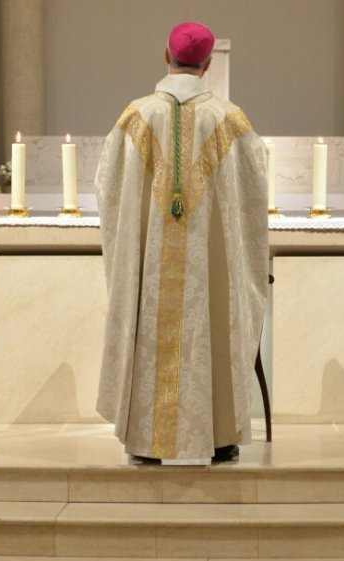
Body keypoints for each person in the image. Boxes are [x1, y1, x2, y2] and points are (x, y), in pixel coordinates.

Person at [95, 21, 268, 465]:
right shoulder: (231, 120)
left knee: (153, 318)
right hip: (210, 266)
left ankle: (146, 440)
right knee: (215, 317)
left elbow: (108, 190)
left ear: (165, 56)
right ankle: (220, 437)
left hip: (151, 263)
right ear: (208, 65)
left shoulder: (135, 117)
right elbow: (252, 198)